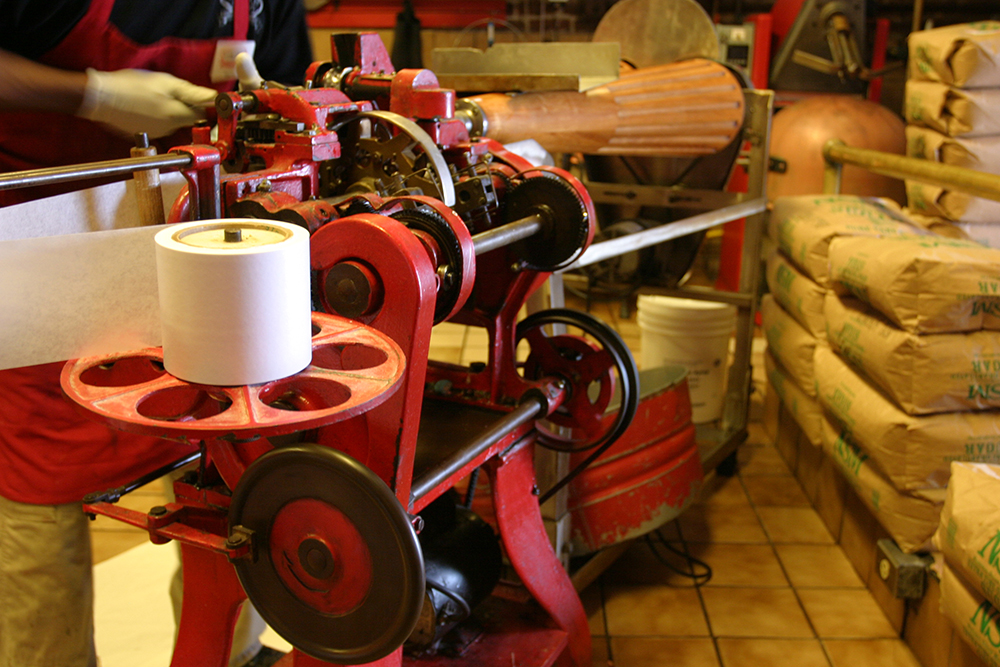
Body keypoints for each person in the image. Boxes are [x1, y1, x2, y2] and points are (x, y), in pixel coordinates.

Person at [0, 2, 313, 666]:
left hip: (201, 243)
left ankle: (226, 650)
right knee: (38, 476)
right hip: (40, 241)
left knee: (235, 461)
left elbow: (293, 95)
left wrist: (269, 99)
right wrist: (91, 94)